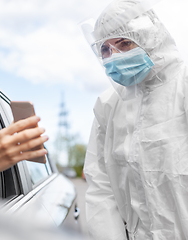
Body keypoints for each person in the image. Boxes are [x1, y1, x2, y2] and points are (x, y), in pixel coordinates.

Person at [82, 0, 188, 239]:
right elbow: (101, 186)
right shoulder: (108, 105)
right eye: (105, 50)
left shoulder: (183, 85)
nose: (114, 57)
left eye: (124, 43)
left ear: (151, 37)